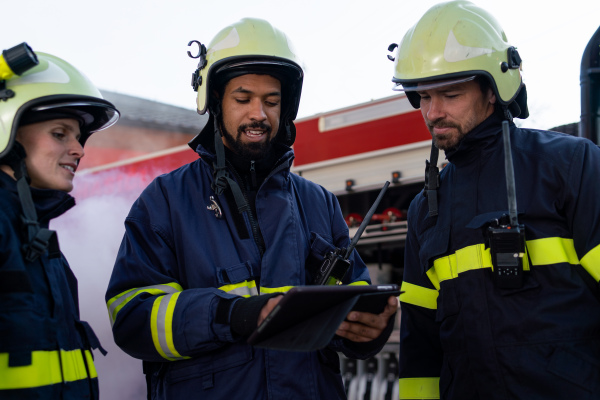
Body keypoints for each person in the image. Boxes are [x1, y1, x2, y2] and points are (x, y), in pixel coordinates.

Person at [105, 17, 398, 399]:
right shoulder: (164, 202)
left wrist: (368, 332)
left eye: (271, 101)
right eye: (243, 99)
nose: (258, 114)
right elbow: (132, 319)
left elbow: (352, 294)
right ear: (214, 103)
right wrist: (230, 315)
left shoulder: (318, 202)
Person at [389, 1, 600, 399]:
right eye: (422, 96)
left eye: (450, 94)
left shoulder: (570, 166)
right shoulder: (424, 210)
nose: (432, 112)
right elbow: (420, 346)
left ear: (492, 89)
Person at [0, 44, 119, 399]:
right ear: (8, 132)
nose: (80, 150)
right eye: (60, 133)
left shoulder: (36, 234)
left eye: (78, 137)